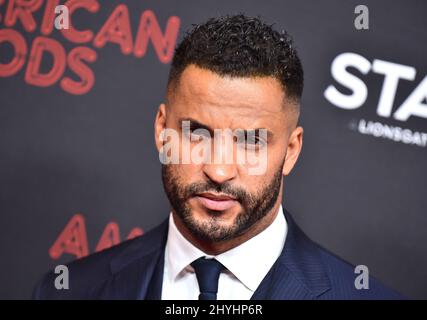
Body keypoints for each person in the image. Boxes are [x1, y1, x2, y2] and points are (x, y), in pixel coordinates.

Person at [33, 14, 402, 300]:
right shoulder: (69, 290)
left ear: (291, 151)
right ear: (162, 130)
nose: (219, 169)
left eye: (250, 141)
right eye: (196, 134)